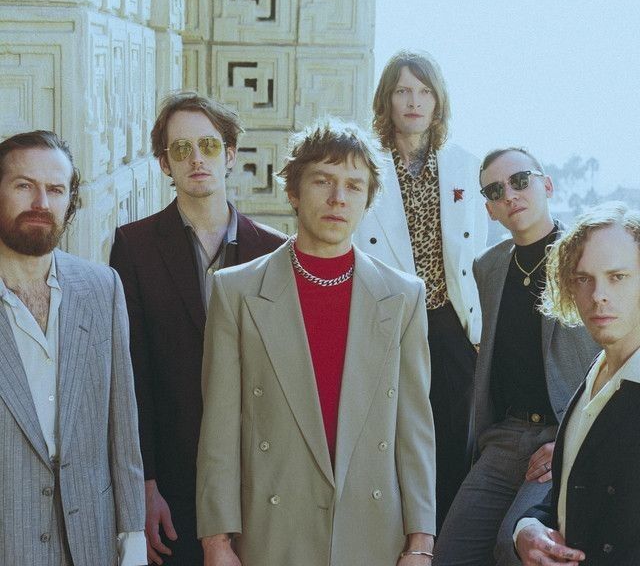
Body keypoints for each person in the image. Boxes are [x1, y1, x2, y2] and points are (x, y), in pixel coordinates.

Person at [196, 119, 437, 566]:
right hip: (271, 529)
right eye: (322, 181)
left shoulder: (403, 295)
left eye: (353, 186)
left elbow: (414, 428)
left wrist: (420, 542)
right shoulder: (235, 291)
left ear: (367, 201)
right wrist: (217, 540)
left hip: (372, 530)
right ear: (292, 191)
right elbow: (220, 426)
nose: (338, 198)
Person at [109, 92, 286, 565]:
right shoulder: (134, 247)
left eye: (208, 146)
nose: (196, 160)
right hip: (172, 483)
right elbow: (131, 377)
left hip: (259, 480)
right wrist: (144, 487)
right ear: (165, 164)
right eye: (181, 149)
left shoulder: (274, 252)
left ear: (229, 155)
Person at [433, 148, 599, 566]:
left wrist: (570, 439)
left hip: (561, 438)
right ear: (489, 209)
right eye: (495, 190)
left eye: (520, 180)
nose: (510, 194)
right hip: (502, 439)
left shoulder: (587, 259)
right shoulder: (487, 267)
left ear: (546, 184)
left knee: (515, 549)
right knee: (449, 555)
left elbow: (616, 356)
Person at [354, 49, 486, 529]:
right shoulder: (365, 165)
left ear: (438, 102)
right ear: (387, 100)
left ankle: (444, 539)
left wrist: (479, 325)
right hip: (390, 318)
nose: (414, 101)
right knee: (393, 432)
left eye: (424, 92)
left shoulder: (465, 166)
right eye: (403, 91)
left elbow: (480, 254)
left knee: (453, 435)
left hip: (452, 320)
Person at [0, 131, 145, 565]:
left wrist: (133, 534)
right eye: (24, 186)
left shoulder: (103, 287)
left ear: (70, 202)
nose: (41, 202)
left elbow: (123, 422)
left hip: (90, 545)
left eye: (56, 189)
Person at [514, 202, 640, 566]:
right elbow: (573, 488)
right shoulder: (598, 369)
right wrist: (526, 528)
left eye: (618, 276)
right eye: (584, 278)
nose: (598, 294)